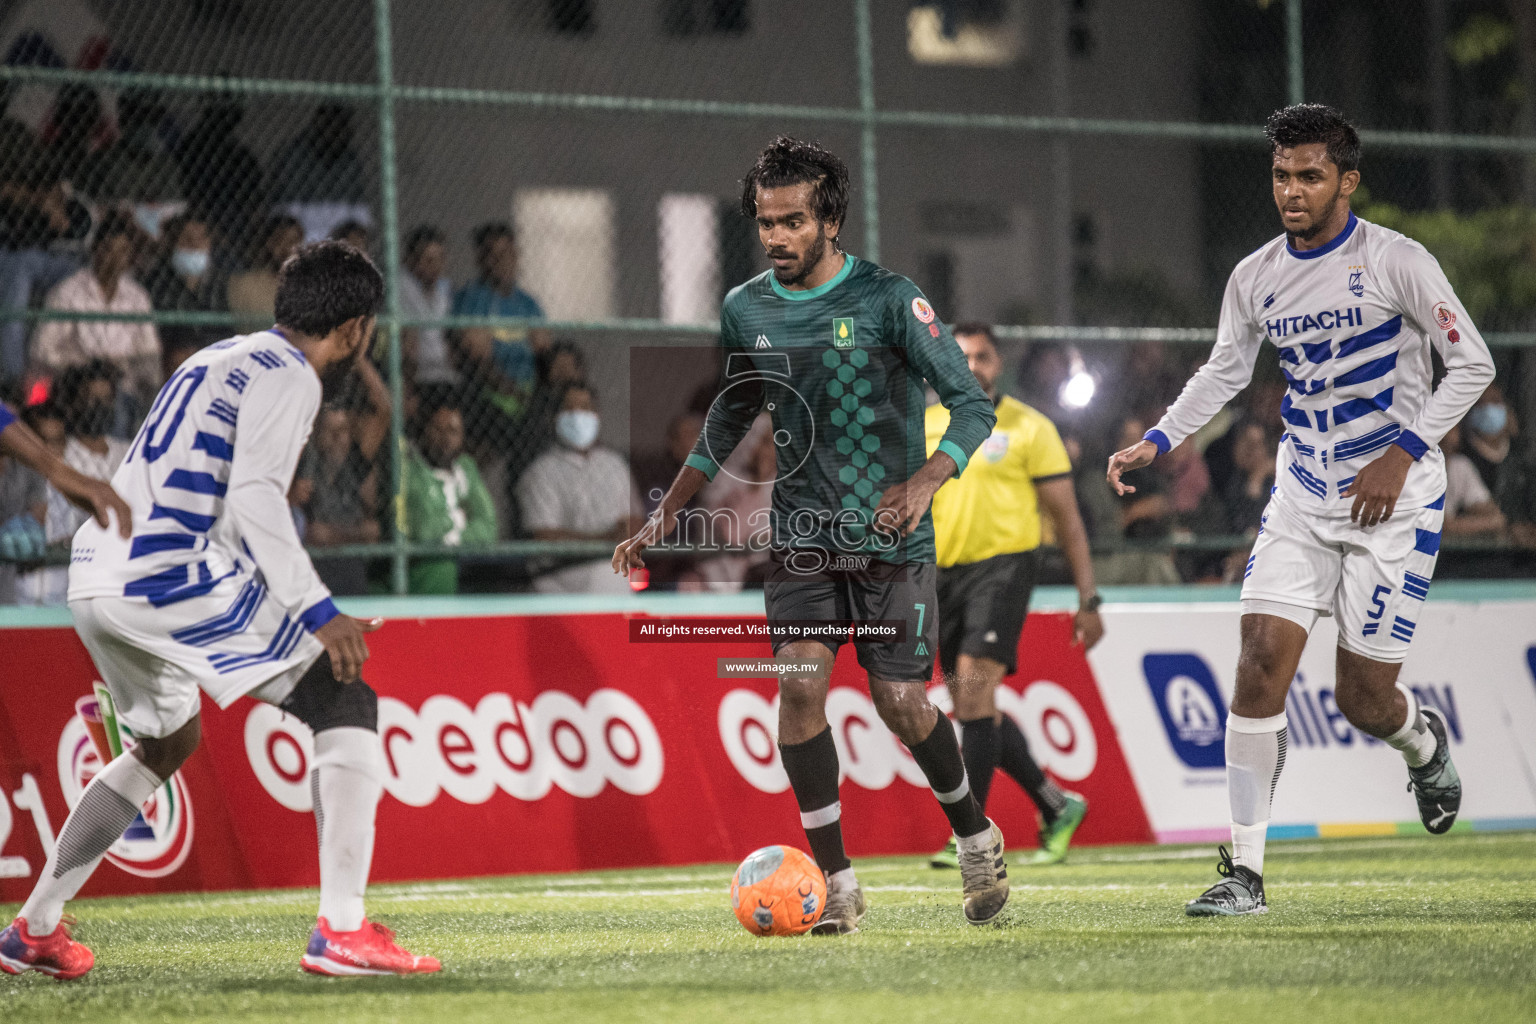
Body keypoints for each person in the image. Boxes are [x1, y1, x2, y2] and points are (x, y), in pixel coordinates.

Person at [0, 241, 439, 979]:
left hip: (97, 573)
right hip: (165, 574)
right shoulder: (294, 378)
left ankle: (33, 931)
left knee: (162, 747)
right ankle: (343, 929)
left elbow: (201, 489)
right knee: (344, 698)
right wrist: (316, 608)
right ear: (359, 328)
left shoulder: (216, 357)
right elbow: (256, 498)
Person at [1107, 105, 1495, 917]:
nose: (1292, 190)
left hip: (1397, 504)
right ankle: (1243, 874)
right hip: (1303, 495)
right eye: (1282, 175)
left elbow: (1473, 365)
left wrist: (1403, 454)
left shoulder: (1398, 262)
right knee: (1257, 663)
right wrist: (1162, 438)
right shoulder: (1255, 276)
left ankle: (1421, 743)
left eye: (1310, 175)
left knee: (1363, 699)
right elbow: (1225, 370)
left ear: (1346, 181)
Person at [613, 136, 1008, 931]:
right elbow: (731, 412)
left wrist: (927, 481)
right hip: (800, 543)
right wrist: (667, 513)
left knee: (900, 702)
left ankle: (974, 833)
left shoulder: (891, 300)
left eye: (793, 221)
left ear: (830, 218)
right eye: (765, 222)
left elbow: (971, 405)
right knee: (797, 685)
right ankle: (835, 883)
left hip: (892, 545)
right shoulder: (745, 308)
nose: (776, 237)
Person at [922, 322, 1100, 871]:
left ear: (998, 365)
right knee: (974, 703)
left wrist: (1088, 598)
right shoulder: (924, 425)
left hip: (1004, 569)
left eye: (983, 356)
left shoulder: (1029, 427)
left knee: (973, 686)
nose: (972, 365)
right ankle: (1054, 802)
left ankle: (970, 835)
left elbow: (1067, 520)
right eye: (961, 356)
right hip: (941, 577)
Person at [31, 211, 162, 410]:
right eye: (109, 249)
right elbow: (42, 349)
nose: (116, 259)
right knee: (96, 390)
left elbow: (149, 352)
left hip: (123, 386)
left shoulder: (138, 297)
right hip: (76, 382)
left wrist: (126, 371)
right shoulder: (68, 292)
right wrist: (80, 364)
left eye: (123, 251)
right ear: (95, 249)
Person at [519, 382, 640, 594]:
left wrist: (627, 532)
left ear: (597, 414)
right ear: (554, 417)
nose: (579, 415)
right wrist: (605, 540)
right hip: (560, 593)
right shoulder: (541, 471)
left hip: (616, 592)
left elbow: (636, 520)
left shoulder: (614, 464)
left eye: (586, 407)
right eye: (570, 408)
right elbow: (544, 536)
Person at [452, 221, 549, 438]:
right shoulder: (472, 299)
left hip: (528, 392)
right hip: (491, 393)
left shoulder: (527, 303)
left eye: (507, 253)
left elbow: (544, 349)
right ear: (480, 259)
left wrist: (538, 394)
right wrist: (512, 391)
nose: (501, 262)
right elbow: (477, 359)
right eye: (492, 255)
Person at [403, 401, 496, 594]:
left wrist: (449, 531)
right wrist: (461, 517)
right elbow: (424, 532)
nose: (445, 439)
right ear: (425, 431)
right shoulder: (410, 468)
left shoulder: (465, 467)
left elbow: (489, 527)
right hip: (417, 585)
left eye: (453, 431)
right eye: (438, 429)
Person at [292, 406, 380, 596]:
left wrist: (331, 534)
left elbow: (372, 532)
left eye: (342, 431)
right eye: (329, 431)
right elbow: (309, 533)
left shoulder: (356, 467)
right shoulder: (304, 468)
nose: (337, 438)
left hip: (352, 573)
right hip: (314, 575)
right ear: (316, 435)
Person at [145, 211, 228, 353]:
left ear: (209, 244)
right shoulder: (157, 281)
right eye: (186, 239)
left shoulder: (222, 283)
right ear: (173, 243)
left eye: (200, 240)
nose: (193, 246)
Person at [398, 225, 457, 388]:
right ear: (411, 260)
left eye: (440, 259)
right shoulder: (401, 287)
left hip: (444, 374)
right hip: (418, 377)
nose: (435, 266)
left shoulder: (444, 290)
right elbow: (407, 341)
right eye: (428, 260)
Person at [228, 215, 304, 323]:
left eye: (294, 241)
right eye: (281, 240)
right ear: (269, 243)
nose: (288, 248)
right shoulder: (246, 284)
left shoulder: (308, 284)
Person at [1441, 422, 1505, 538]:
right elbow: (1441, 526)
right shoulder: (1416, 467)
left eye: (1453, 429)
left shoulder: (1459, 465)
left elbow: (1493, 514)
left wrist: (1485, 518)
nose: (1449, 435)